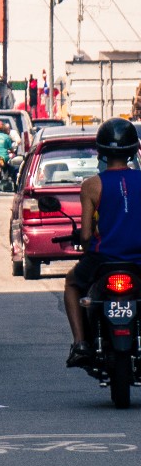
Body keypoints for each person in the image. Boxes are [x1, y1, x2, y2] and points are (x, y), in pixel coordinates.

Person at [65, 120, 141, 367]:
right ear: (134, 150)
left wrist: (88, 248)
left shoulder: (91, 185)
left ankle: (80, 343)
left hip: (103, 261)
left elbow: (86, 235)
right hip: (138, 260)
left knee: (72, 284)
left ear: (100, 152)